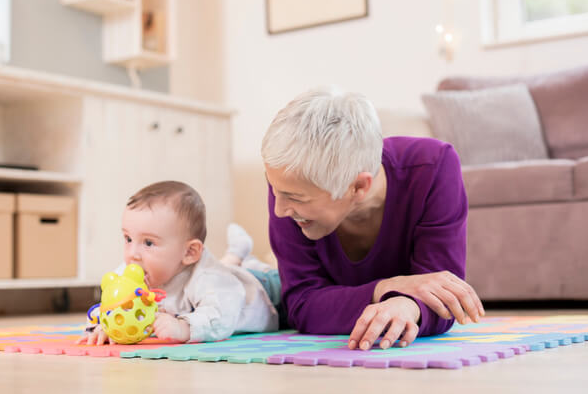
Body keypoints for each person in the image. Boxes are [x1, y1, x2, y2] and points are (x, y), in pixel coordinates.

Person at [261, 87, 485, 351]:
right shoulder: (289, 185)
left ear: (358, 187)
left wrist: (407, 305)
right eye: (273, 188)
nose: (279, 209)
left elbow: (444, 295)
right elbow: (302, 305)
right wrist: (390, 287)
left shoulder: (433, 167)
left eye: (295, 197)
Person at [77, 181, 279, 345]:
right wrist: (103, 326)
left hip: (263, 288)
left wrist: (185, 328)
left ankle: (241, 256)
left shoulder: (210, 280)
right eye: (128, 239)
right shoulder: (131, 273)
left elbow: (221, 314)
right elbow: (109, 304)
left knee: (278, 280)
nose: (133, 254)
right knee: (228, 267)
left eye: (148, 242)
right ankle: (236, 254)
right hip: (227, 274)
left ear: (189, 252)